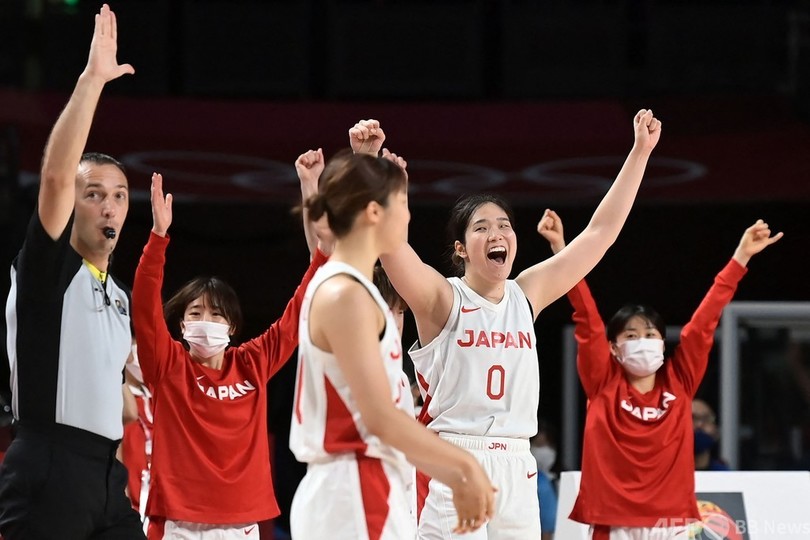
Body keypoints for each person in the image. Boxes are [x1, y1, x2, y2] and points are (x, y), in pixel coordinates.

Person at [357, 110, 660, 539]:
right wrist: (368, 171)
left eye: (504, 225)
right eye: (482, 227)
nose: (497, 233)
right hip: (455, 457)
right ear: (461, 248)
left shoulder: (527, 293)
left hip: (518, 464)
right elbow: (390, 246)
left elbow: (600, 234)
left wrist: (639, 153)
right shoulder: (442, 297)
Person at [289, 149, 495, 539]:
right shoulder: (344, 293)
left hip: (370, 486)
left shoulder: (352, 286)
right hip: (352, 490)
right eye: (402, 202)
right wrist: (463, 468)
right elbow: (379, 417)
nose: (409, 214)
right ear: (373, 212)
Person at [538, 210, 782, 539]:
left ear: (663, 344)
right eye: (631, 335)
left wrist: (740, 258)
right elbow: (586, 314)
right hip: (614, 522)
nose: (644, 341)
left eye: (651, 334)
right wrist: (562, 250)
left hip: (673, 524)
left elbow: (704, 323)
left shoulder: (680, 381)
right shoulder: (602, 382)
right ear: (612, 347)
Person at [0, 4, 144, 538]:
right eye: (94, 194)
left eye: (119, 196)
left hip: (108, 476)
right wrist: (91, 81)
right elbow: (57, 177)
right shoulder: (49, 271)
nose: (109, 205)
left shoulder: (121, 297)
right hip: (49, 464)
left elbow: (111, 393)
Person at [131, 171, 329, 539]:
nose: (206, 321)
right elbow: (144, 307)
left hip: (242, 524)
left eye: (217, 314)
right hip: (179, 524)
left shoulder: (252, 362)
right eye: (195, 313)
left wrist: (313, 205)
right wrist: (158, 237)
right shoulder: (167, 364)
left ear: (233, 327)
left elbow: (303, 306)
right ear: (180, 325)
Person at [530, 419, 558, 540]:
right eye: (539, 446)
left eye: (547, 446)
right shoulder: (540, 482)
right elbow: (547, 527)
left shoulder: (561, 479)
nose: (544, 451)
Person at [692, 398, 729, 471]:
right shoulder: (667, 473)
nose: (699, 424)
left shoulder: (723, 474)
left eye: (706, 419)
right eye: (692, 418)